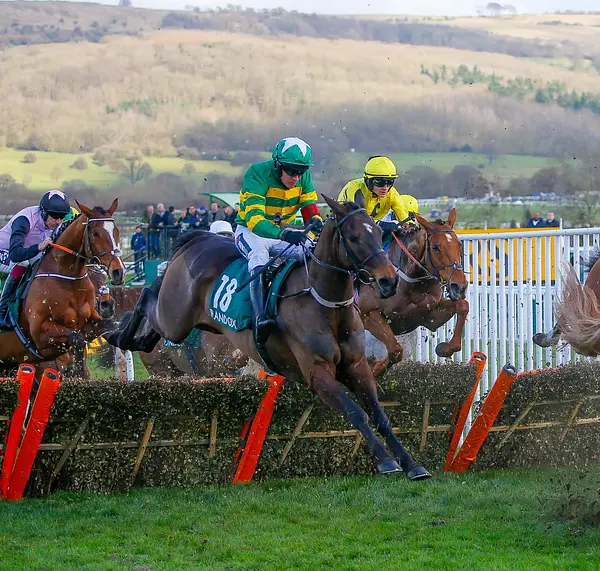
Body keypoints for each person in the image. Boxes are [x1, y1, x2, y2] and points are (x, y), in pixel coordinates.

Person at [234, 136, 322, 344]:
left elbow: (310, 210)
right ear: (277, 164)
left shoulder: (303, 177)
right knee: (259, 255)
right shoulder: (257, 173)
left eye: (301, 171)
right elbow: (255, 221)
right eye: (291, 171)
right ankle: (260, 318)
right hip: (251, 231)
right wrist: (285, 234)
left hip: (283, 232)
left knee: (315, 250)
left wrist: (315, 223)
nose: (296, 177)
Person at [0, 190, 71, 328]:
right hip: (6, 250)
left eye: (62, 217)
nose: (58, 221)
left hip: (24, 252)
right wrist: (38, 247)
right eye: (55, 217)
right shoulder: (24, 220)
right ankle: (2, 311)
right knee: (22, 264)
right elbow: (15, 255)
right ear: (43, 212)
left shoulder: (55, 224)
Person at [337, 156, 418, 233]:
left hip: (372, 229)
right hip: (346, 226)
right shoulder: (353, 188)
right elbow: (357, 219)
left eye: (390, 182)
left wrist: (413, 226)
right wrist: (381, 224)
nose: (385, 188)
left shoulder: (392, 192)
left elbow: (404, 219)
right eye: (380, 182)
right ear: (368, 180)